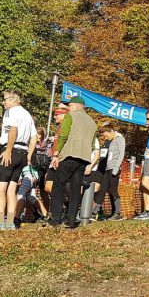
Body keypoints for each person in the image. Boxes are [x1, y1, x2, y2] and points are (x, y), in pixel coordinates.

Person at [48, 96, 96, 229]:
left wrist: (56, 153)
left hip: (69, 155)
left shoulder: (70, 116)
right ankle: (71, 220)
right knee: (75, 189)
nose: (68, 108)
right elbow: (92, 143)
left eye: (69, 105)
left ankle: (55, 219)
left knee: (58, 186)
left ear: (75, 105)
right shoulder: (92, 121)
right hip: (84, 158)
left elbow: (63, 135)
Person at [0, 91, 36, 230]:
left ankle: (1, 222)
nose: (3, 103)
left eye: (5, 100)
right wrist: (29, 155)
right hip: (23, 153)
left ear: (13, 100)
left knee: (1, 189)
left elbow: (13, 129)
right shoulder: (27, 114)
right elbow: (34, 137)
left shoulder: (12, 112)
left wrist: (8, 150)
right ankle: (11, 222)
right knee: (12, 189)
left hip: (11, 150)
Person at [94, 124, 125, 220]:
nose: (106, 138)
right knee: (102, 189)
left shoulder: (120, 139)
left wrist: (116, 168)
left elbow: (121, 154)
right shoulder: (112, 141)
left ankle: (117, 213)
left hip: (114, 169)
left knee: (113, 190)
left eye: (107, 135)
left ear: (111, 131)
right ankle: (95, 211)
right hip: (108, 168)